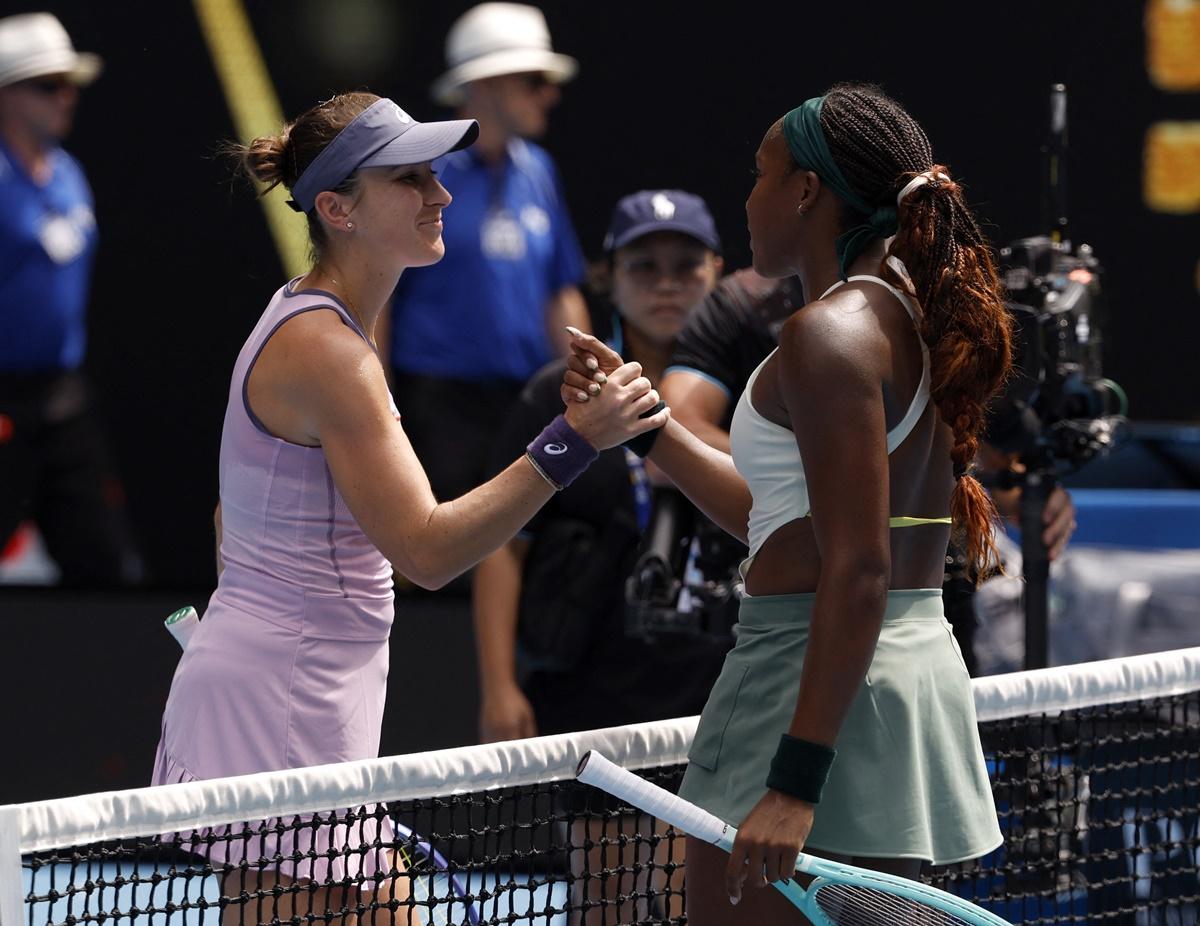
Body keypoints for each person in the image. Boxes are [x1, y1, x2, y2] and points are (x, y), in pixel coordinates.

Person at [150, 91, 666, 925]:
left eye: (434, 174)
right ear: (336, 209)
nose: (442, 194)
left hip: (291, 692)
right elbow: (427, 554)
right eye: (411, 179)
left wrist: (270, 616)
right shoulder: (329, 353)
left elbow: (229, 516)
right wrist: (573, 441)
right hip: (287, 703)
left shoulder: (316, 327)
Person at [563, 83, 1013, 923]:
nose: (750, 197)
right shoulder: (907, 317)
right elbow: (784, 524)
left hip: (804, 685)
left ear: (805, 190)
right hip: (895, 677)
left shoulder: (825, 333)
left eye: (759, 174)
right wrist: (646, 425)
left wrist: (795, 783)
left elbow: (858, 566)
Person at [473, 189, 725, 920]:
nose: (668, 282)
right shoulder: (556, 396)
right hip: (593, 693)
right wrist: (499, 686)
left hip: (714, 691)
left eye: (687, 264)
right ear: (608, 278)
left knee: (687, 904)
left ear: (718, 270)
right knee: (604, 904)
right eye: (644, 265)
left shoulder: (756, 395)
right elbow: (503, 551)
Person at [662, 273, 1078, 675]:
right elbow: (681, 420)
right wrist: (650, 433)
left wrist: (1018, 489)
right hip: (785, 612)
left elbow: (973, 448)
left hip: (915, 621)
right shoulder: (740, 306)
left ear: (811, 198)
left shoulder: (911, 317)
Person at [382, 2, 590, 509]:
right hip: (440, 409)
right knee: (443, 570)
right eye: (534, 79)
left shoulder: (539, 169)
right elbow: (379, 297)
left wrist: (588, 388)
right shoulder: (426, 174)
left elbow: (559, 291)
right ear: (487, 84)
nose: (550, 92)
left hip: (525, 405)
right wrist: (379, 412)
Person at [0, 12, 142, 587]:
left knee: (107, 566)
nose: (66, 97)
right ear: (4, 93)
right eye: (48, 84)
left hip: (62, 400)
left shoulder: (69, 175)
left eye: (70, 84)